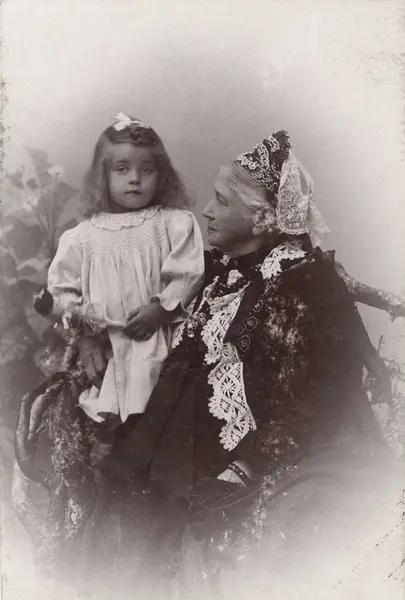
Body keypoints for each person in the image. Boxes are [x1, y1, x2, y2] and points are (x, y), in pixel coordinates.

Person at [93, 130, 400, 599]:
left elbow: (307, 401)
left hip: (252, 448)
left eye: (221, 201)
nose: (206, 211)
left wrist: (243, 469)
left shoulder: (300, 283)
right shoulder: (222, 267)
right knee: (118, 518)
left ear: (260, 218)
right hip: (178, 434)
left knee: (172, 541)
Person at [34, 113, 204, 435]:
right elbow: (64, 293)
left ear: (161, 174)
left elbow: (188, 274)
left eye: (146, 170)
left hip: (159, 339)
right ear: (103, 175)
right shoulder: (82, 238)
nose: (135, 179)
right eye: (122, 169)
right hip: (106, 345)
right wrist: (82, 332)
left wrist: (161, 308)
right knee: (103, 421)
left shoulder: (172, 224)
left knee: (161, 418)